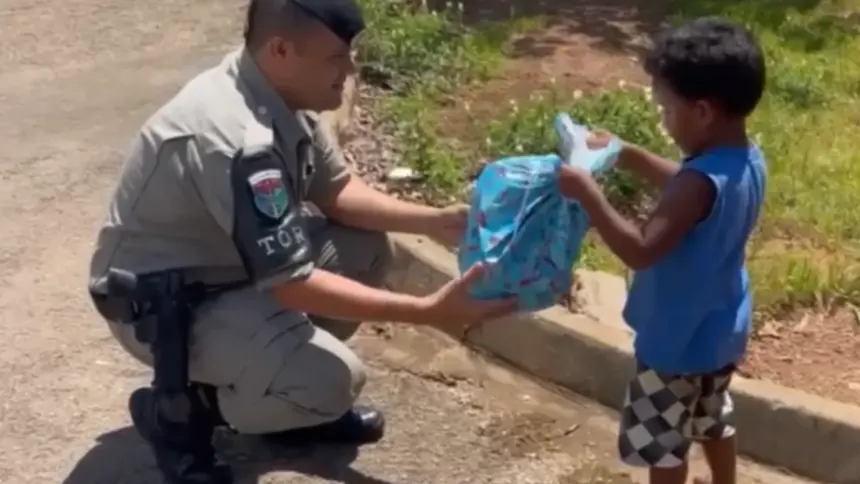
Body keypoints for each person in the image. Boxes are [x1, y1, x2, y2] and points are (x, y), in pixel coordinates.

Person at [86, 0, 515, 482]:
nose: (350, 70)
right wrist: (428, 312)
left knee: (367, 250)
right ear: (282, 49)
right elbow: (292, 285)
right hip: (163, 305)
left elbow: (335, 191)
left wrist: (436, 220)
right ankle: (181, 411)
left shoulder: (277, 88)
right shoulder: (234, 139)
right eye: (336, 58)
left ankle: (278, 399)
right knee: (333, 383)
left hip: (228, 270)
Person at [557, 17, 767, 484]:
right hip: (720, 331)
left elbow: (640, 250)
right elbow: (690, 190)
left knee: (664, 440)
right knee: (713, 416)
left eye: (667, 110)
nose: (664, 119)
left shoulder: (697, 183)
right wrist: (627, 152)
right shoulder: (745, 161)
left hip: (675, 343)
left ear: (703, 112)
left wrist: (587, 193)